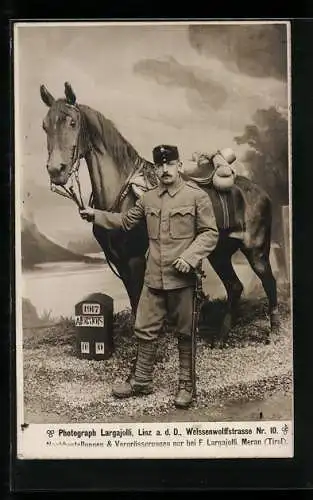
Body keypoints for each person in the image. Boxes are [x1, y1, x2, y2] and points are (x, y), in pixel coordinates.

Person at [80, 145, 219, 408]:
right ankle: (141, 380)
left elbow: (209, 233)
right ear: (155, 168)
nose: (165, 170)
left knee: (184, 332)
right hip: (154, 278)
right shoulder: (148, 198)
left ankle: (186, 386)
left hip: (182, 279)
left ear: (179, 166)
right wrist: (95, 215)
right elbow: (124, 221)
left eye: (170, 165)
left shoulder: (196, 196)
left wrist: (189, 258)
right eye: (160, 166)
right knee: (144, 329)